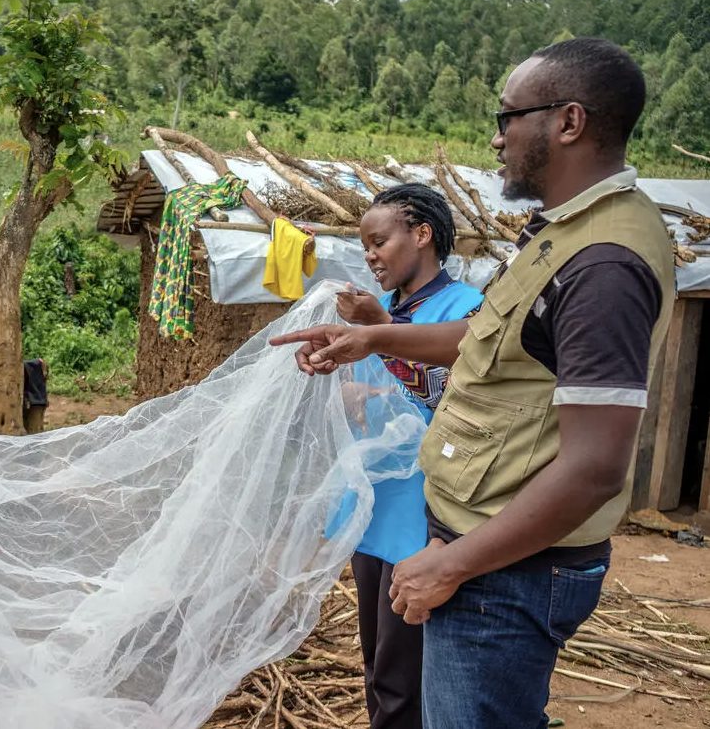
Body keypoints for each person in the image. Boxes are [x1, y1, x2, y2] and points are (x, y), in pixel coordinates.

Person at [271, 37, 675, 729]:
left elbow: (594, 467)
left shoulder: (604, 264)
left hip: (507, 575)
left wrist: (453, 564)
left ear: (568, 122)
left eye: (508, 117)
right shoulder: (563, 237)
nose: (496, 139)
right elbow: (489, 340)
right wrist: (371, 338)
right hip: (483, 553)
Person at [336, 184, 483, 729]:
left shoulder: (467, 310)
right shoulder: (387, 313)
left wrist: (381, 331)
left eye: (379, 241)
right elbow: (374, 410)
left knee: (404, 682)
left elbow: (455, 400)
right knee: (378, 668)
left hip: (425, 519)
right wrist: (354, 396)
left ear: (422, 235)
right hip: (376, 510)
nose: (370, 255)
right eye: (365, 246)